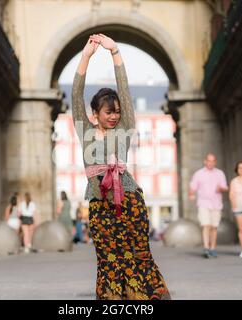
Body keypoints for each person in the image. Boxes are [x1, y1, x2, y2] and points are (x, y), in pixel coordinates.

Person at [71, 33, 170, 300]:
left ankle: (143, 298)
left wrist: (115, 52)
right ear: (95, 114)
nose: (114, 116)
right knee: (108, 257)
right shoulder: (85, 130)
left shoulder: (124, 129)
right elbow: (75, 92)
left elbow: (124, 90)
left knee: (138, 253)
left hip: (129, 199)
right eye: (108, 112)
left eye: (117, 111)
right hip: (99, 202)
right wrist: (86, 56)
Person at [189, 153, 228, 259]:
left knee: (214, 227)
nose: (210, 163)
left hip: (216, 204)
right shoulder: (199, 174)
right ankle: (206, 248)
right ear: (205, 161)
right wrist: (191, 194)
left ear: (215, 162)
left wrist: (221, 189)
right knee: (206, 225)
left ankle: (213, 248)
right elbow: (193, 186)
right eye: (209, 160)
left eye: (213, 161)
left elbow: (225, 187)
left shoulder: (220, 173)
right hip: (203, 203)